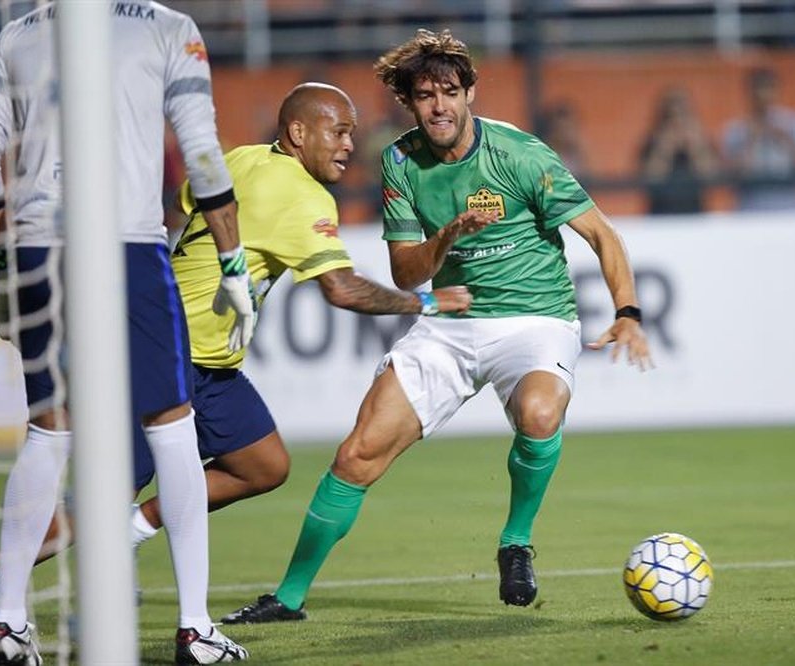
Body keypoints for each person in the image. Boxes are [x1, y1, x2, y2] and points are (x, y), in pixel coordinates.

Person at [0, 80, 472, 652]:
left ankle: (133, 529)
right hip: (160, 355)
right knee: (98, 499)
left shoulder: (243, 159)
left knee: (262, 464)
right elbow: (341, 290)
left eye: (350, 131)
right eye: (338, 131)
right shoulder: (302, 195)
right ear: (298, 133)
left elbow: (182, 207)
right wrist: (427, 301)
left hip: (209, 363)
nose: (350, 143)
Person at [221, 28, 652, 625]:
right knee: (356, 454)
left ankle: (515, 541)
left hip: (534, 319)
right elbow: (404, 273)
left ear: (469, 92)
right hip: (451, 322)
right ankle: (288, 598)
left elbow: (603, 235)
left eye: (449, 92)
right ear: (411, 103)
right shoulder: (400, 161)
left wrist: (627, 312)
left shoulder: (521, 155)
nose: (439, 106)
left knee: (539, 414)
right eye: (425, 96)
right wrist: (445, 236)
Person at [0, 2, 253, 664]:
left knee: (50, 429)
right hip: (127, 245)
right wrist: (232, 264)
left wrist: (2, 267)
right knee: (172, 426)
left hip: (33, 247)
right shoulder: (168, 26)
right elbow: (200, 152)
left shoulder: (19, 32)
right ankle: (196, 627)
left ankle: (8, 620)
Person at [722, 66, 795, 211]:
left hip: (789, 209)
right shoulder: (736, 130)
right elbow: (729, 180)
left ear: (777, 91)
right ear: (749, 93)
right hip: (750, 211)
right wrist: (751, 142)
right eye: (758, 89)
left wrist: (787, 141)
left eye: (768, 89)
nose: (763, 96)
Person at [638, 87, 718, 215]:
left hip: (695, 213)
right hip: (660, 215)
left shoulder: (701, 142)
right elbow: (650, 180)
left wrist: (696, 147)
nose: (677, 123)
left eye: (683, 116)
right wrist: (664, 149)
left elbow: (711, 177)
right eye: (671, 117)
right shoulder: (651, 144)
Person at [539, 100, 591, 180]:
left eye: (571, 128)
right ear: (553, 130)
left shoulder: (577, 156)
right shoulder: (544, 157)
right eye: (562, 129)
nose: (567, 133)